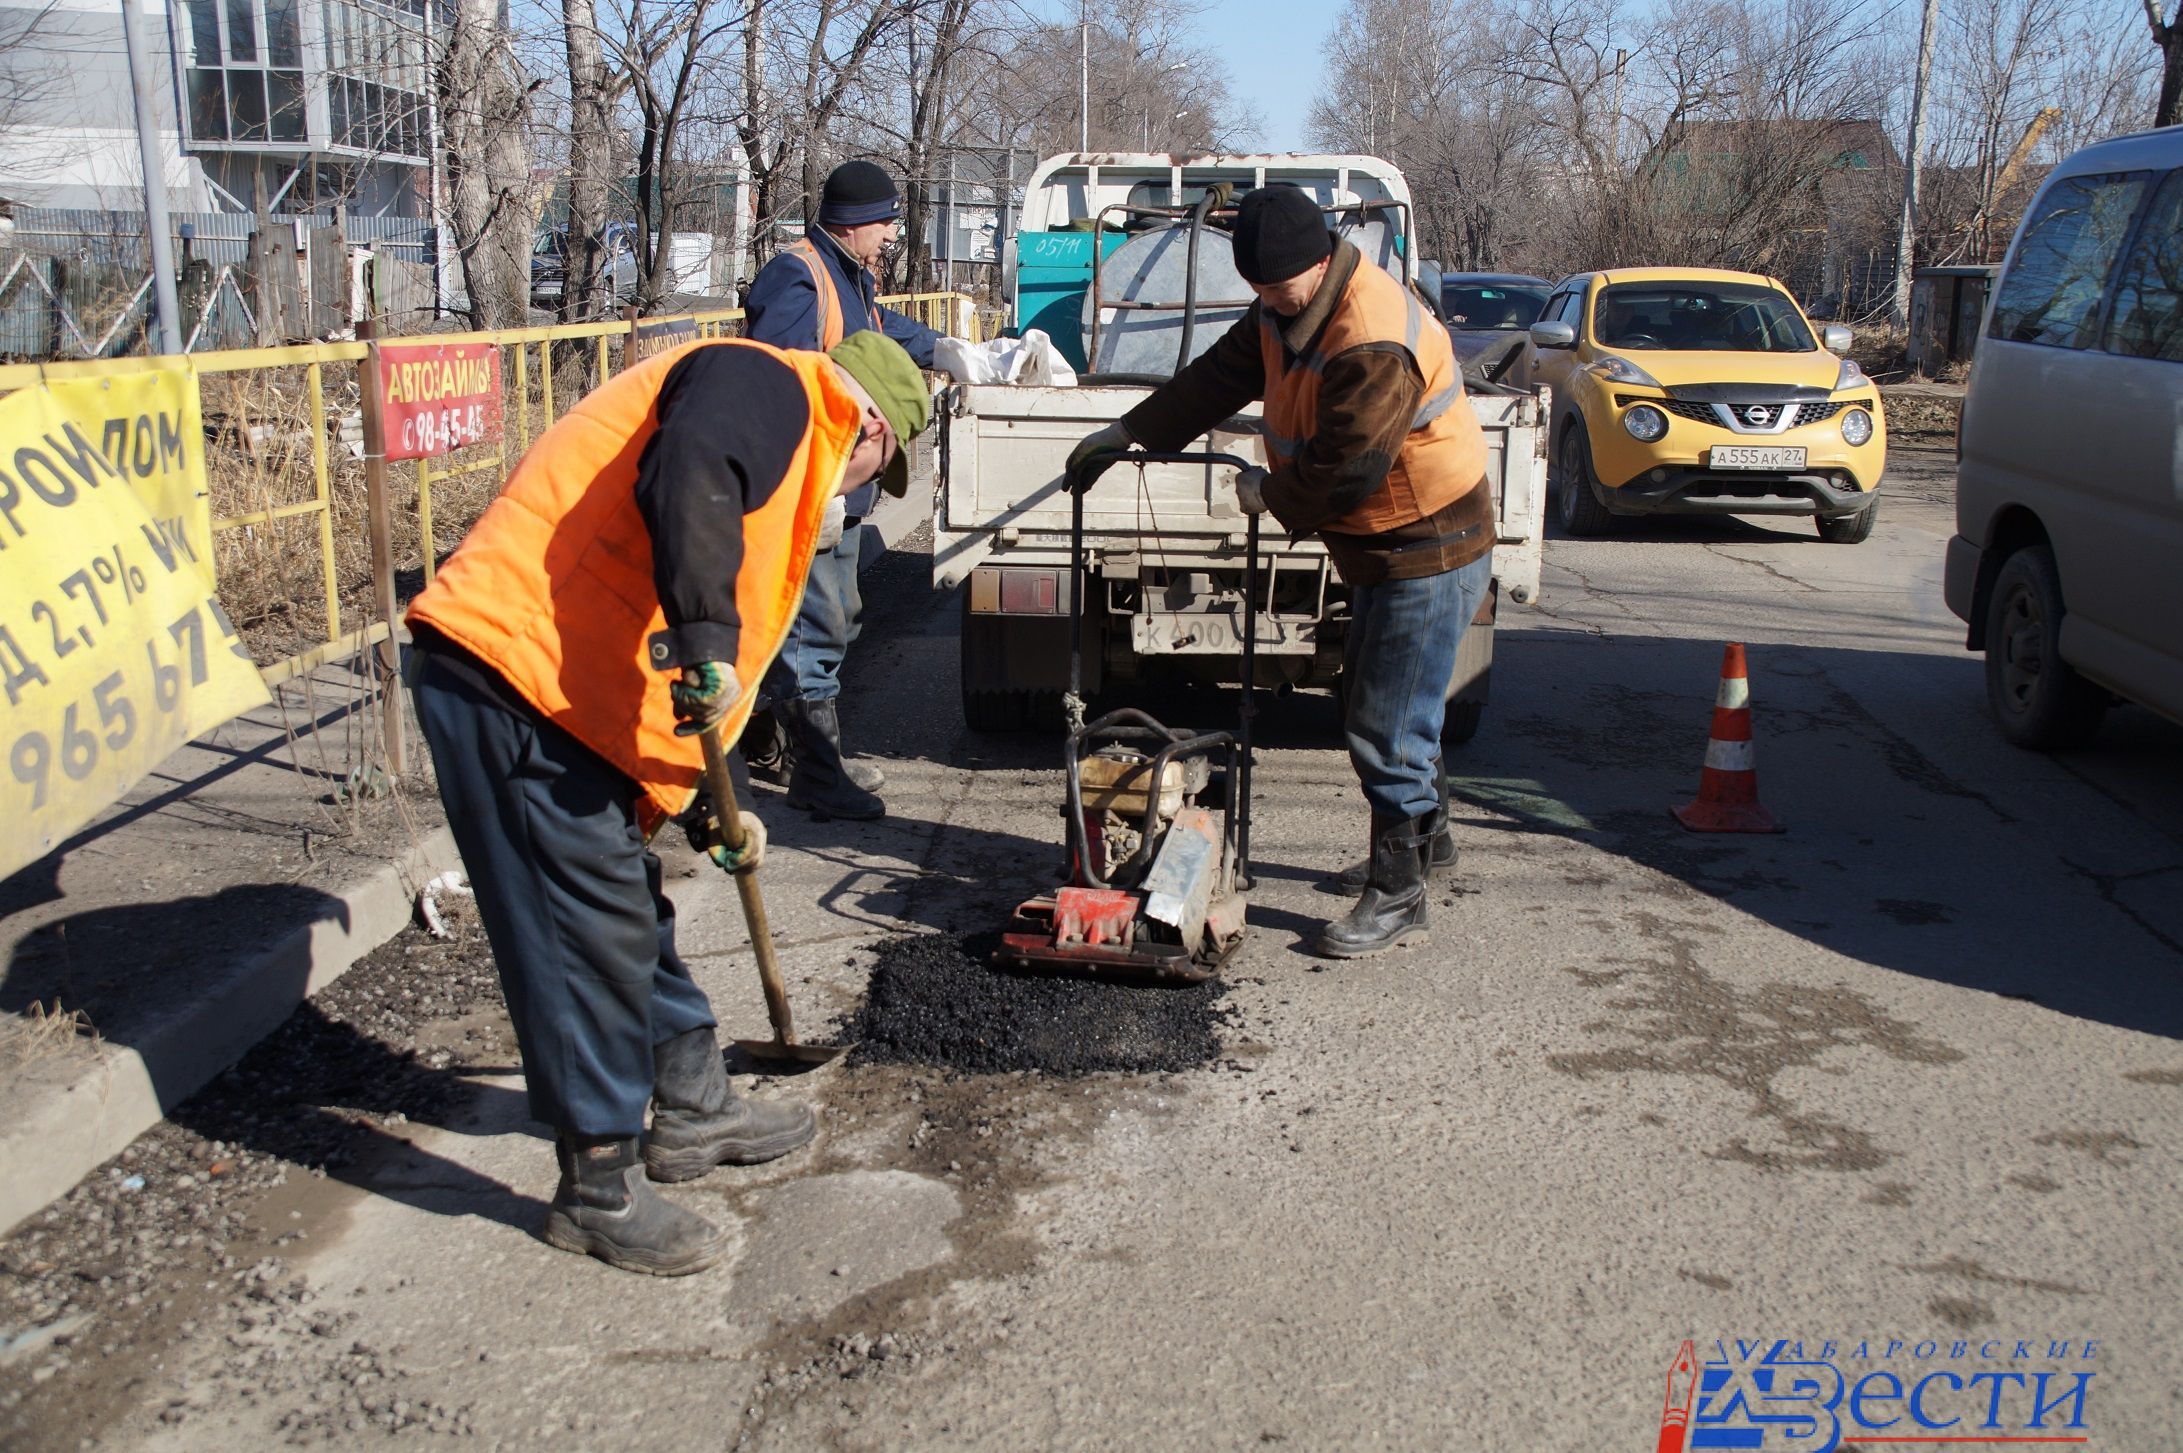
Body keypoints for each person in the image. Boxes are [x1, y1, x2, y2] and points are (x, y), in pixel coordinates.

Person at [404, 329, 930, 1275]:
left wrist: (704, 808)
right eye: (869, 477)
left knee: (623, 905)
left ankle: (690, 1104)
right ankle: (596, 1185)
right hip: (508, 671)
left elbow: (686, 621)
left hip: (569, 695)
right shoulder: (769, 386)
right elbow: (689, 472)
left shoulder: (783, 425)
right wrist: (708, 637)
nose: (852, 497)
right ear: (873, 433)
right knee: (580, 935)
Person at [1066, 184, 1494, 960]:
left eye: (1280, 286)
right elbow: (1220, 374)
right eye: (1259, 290)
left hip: (1425, 540)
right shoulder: (1282, 307)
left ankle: (1399, 892)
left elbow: (1347, 471)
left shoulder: (1368, 336)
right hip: (1382, 542)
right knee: (1396, 700)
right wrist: (1128, 430)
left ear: (1322, 260)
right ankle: (1428, 845)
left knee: (1382, 721)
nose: (1270, 301)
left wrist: (1272, 493)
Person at [739, 158, 942, 822]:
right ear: (858, 222)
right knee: (818, 627)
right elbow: (786, 380)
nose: (890, 235)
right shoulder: (797, 276)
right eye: (886, 222)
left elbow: (875, 334)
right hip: (813, 486)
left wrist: (947, 348)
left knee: (820, 622)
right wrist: (819, 482)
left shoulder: (844, 275)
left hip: (835, 482)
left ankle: (773, 748)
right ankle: (816, 777)